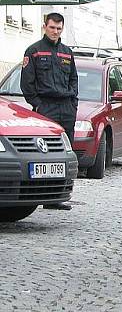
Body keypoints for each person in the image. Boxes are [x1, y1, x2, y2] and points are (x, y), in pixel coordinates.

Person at [21, 12, 78, 211]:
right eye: (52, 27)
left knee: (63, 154)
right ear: (45, 26)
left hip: (66, 107)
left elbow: (73, 79)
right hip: (46, 107)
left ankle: (56, 197)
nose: (55, 31)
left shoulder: (66, 52)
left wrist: (73, 104)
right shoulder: (34, 51)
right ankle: (44, 194)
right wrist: (38, 106)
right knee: (45, 154)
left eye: (59, 28)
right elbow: (26, 85)